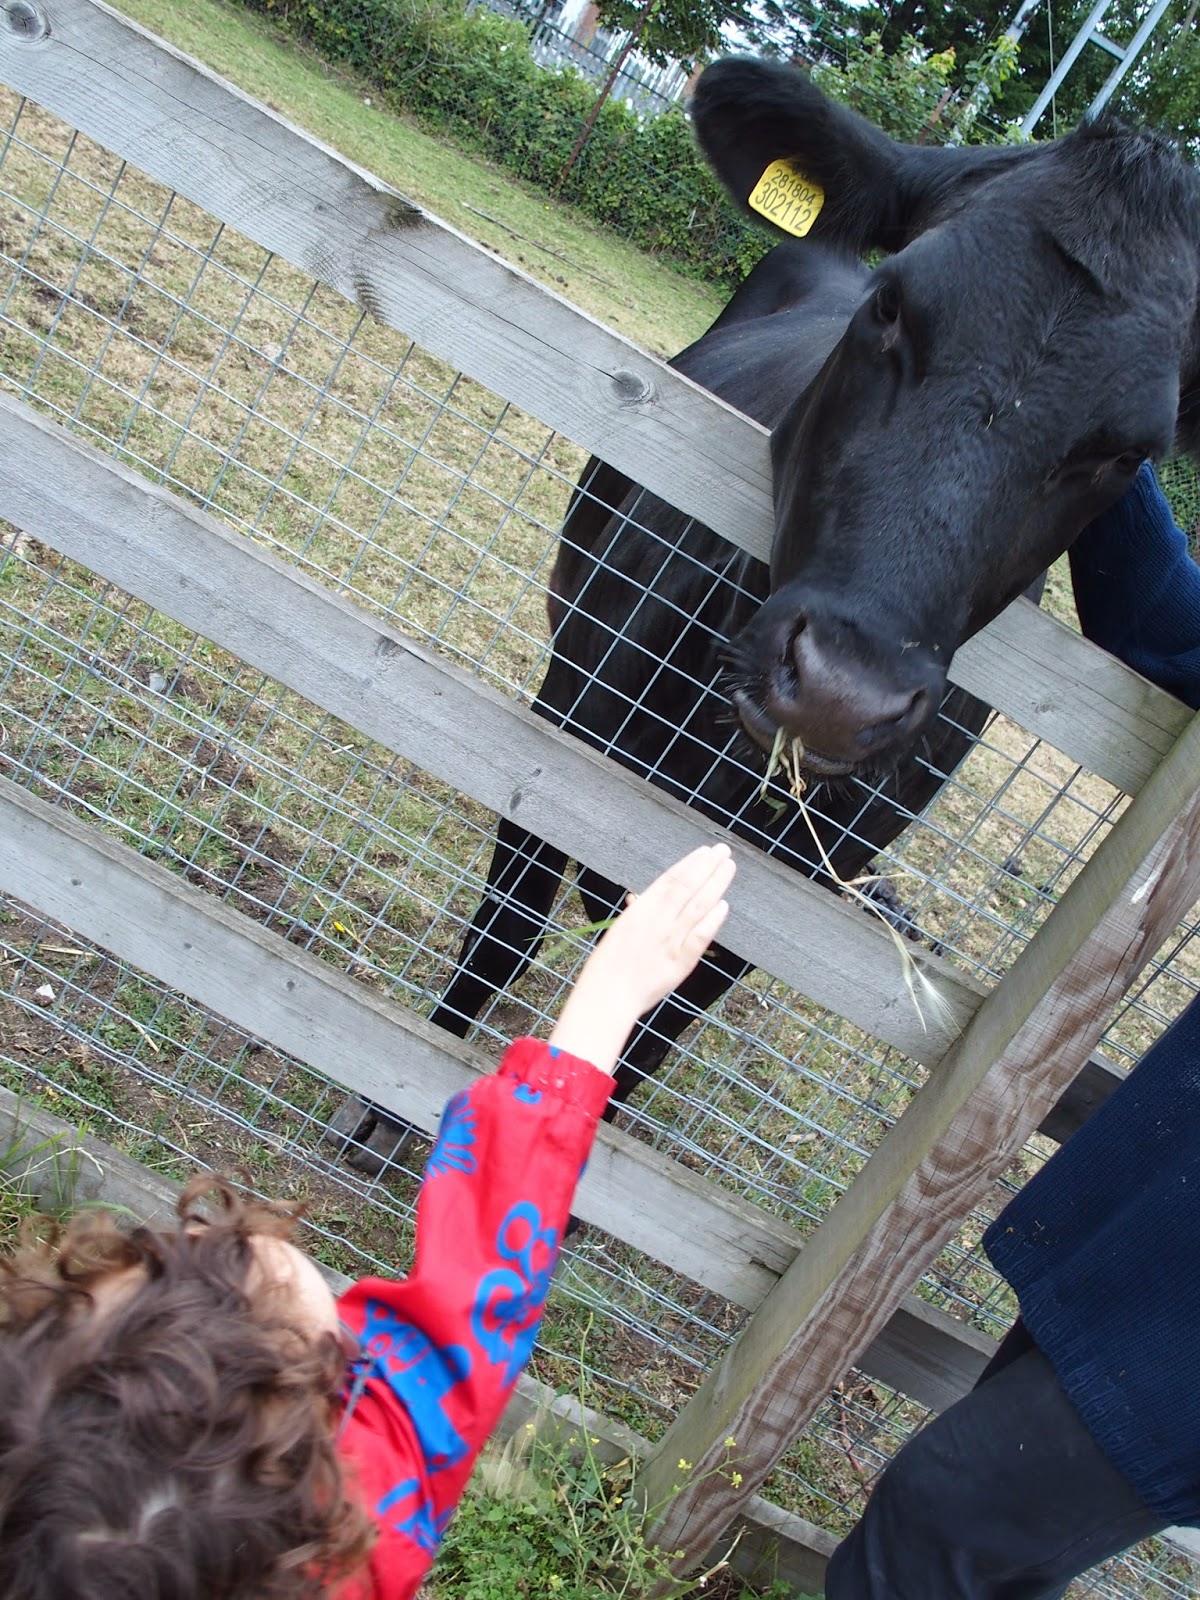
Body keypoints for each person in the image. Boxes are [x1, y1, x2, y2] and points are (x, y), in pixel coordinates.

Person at [0, 842, 737, 1600]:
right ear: (322, 1450)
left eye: (156, 1270)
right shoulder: (361, 1515)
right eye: (257, 1328)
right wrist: (613, 992)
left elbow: (466, 1317)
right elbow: (476, 1284)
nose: (213, 1241)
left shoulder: (327, 1541)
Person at [825, 461, 1200, 1599]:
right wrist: (1102, 429)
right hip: (1163, 1251)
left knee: (937, 1517)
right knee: (991, 1553)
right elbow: (1162, 621)